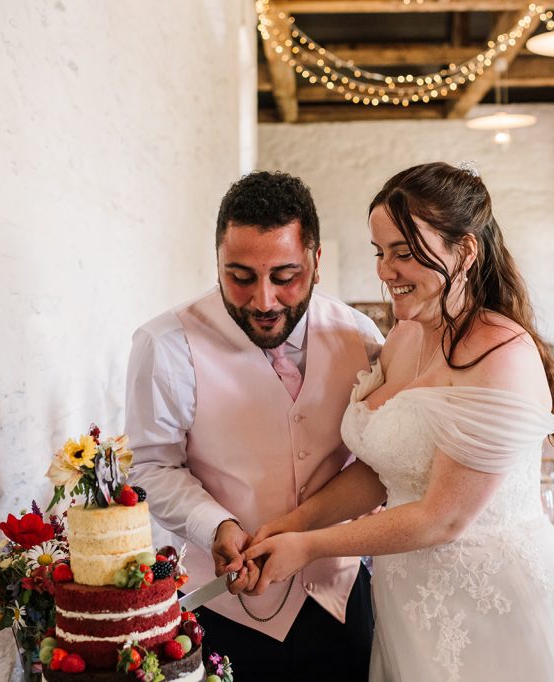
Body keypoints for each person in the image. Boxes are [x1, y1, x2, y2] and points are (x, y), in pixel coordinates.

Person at [240, 162, 554, 681]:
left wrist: (308, 547)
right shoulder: (403, 337)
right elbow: (386, 472)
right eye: (380, 252)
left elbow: (443, 517)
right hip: (410, 599)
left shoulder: (500, 352)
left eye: (403, 251)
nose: (385, 270)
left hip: (492, 605)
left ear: (465, 251)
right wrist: (296, 521)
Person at [125, 171, 383, 680]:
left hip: (341, 599)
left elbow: (376, 459)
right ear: (217, 262)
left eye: (285, 276)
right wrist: (215, 525)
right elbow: (151, 466)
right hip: (222, 609)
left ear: (316, 261)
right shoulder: (165, 344)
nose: (264, 300)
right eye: (240, 276)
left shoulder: (360, 337)